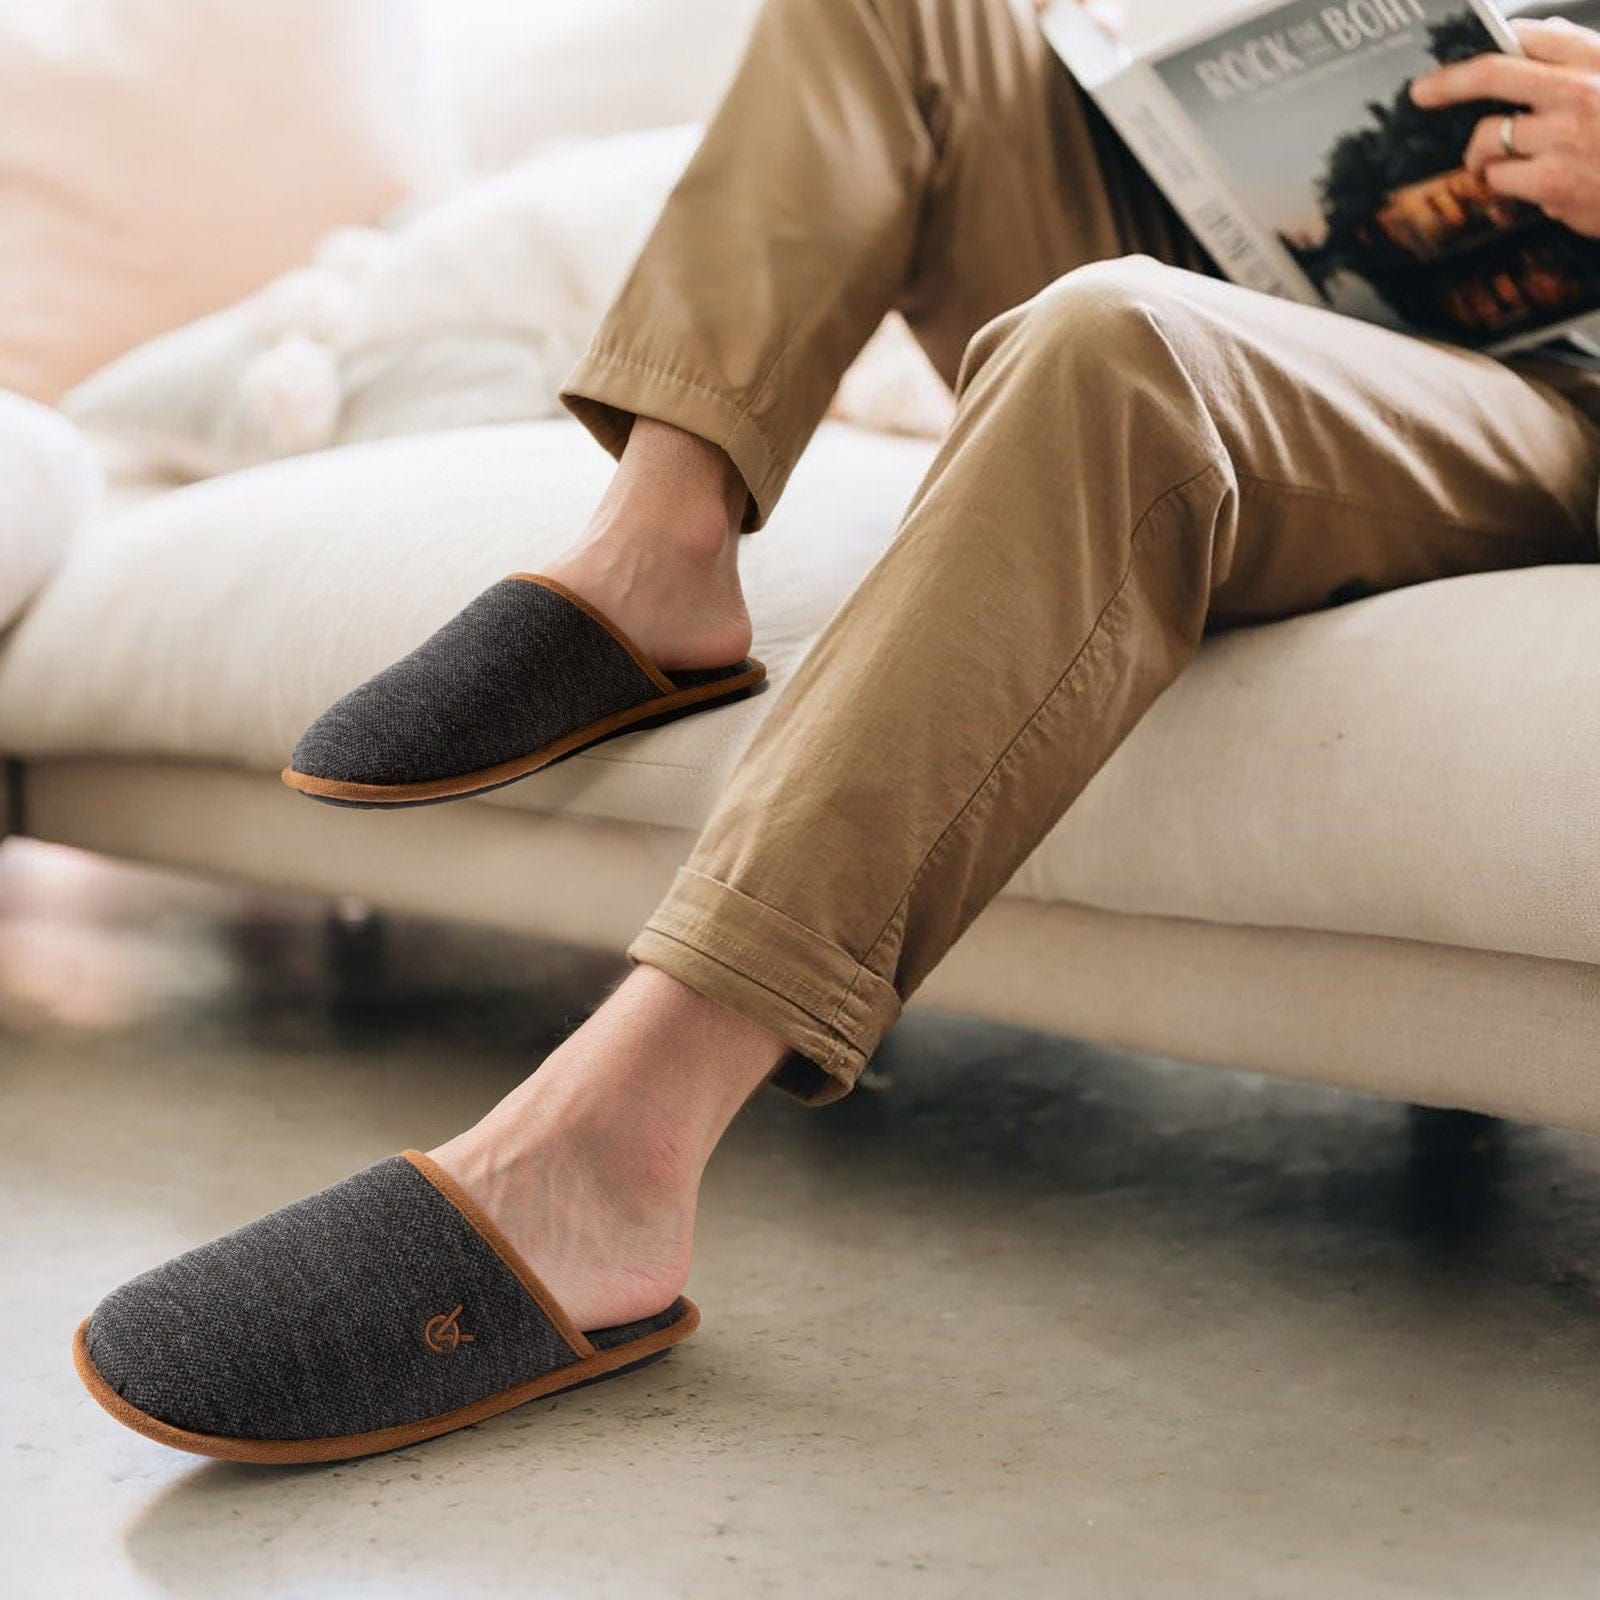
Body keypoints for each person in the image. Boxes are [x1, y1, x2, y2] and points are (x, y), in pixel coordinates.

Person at [74, 0, 1600, 1461]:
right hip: (1297, 261)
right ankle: (657, 559)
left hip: (1541, 403)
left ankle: (610, 1146)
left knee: (1115, 340)